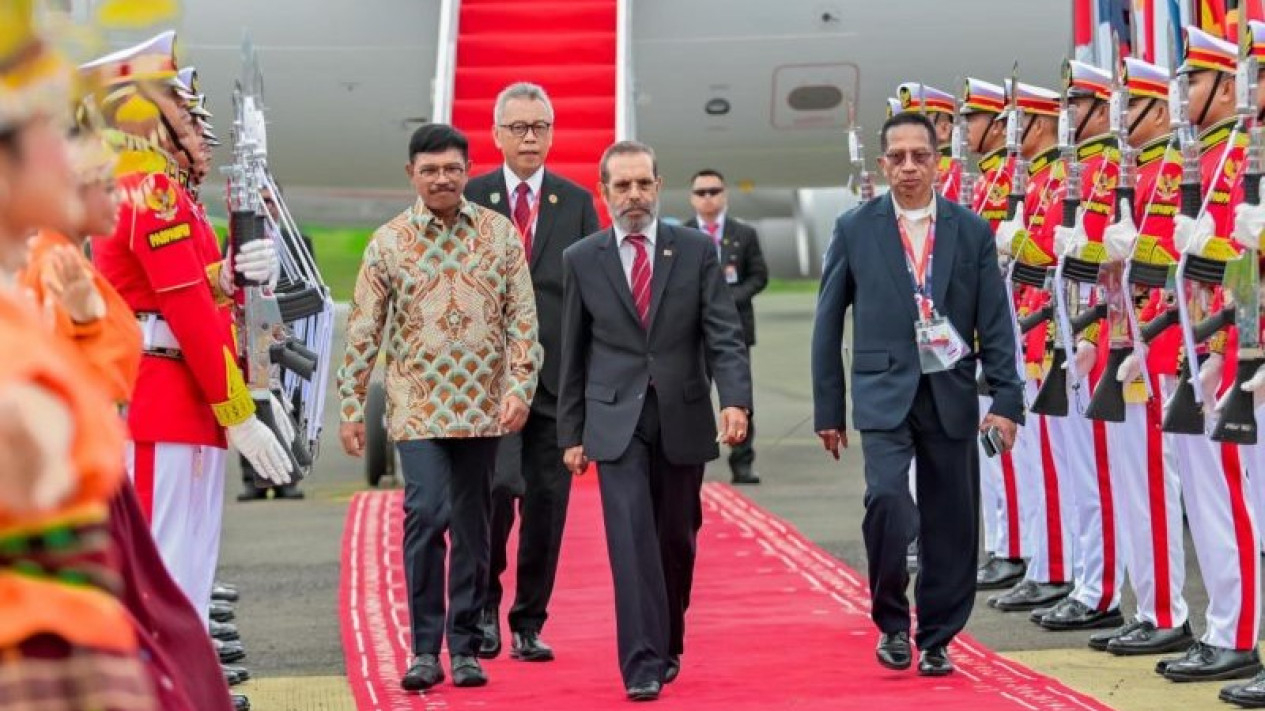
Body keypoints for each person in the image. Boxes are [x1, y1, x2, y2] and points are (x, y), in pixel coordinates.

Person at [85, 31, 294, 631]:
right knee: (164, 577)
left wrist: (228, 275)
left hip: (178, 396)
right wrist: (239, 415)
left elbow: (187, 289)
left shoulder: (160, 190)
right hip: (161, 401)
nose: (192, 118)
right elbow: (187, 315)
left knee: (186, 576)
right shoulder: (149, 192)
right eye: (177, 104)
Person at [811, 111, 1024, 677]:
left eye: (919, 155)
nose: (908, 166)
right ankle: (890, 621)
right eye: (897, 156)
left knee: (951, 518)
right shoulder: (855, 228)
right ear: (883, 164)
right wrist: (828, 409)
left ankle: (936, 636)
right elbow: (827, 322)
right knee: (887, 502)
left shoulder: (971, 229)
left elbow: (995, 322)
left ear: (938, 162)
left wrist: (1006, 402)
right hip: (882, 390)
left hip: (950, 388)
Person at [337, 123, 541, 692]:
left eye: (452, 168)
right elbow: (362, 330)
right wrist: (351, 405)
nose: (442, 178)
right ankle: (425, 649)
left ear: (468, 169)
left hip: (483, 410)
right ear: (412, 175)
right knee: (426, 515)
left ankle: (465, 645)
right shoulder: (388, 243)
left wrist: (519, 389)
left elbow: (523, 321)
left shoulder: (499, 236)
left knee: (476, 529)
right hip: (418, 407)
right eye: (430, 170)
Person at [557, 140, 752, 701]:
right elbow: (574, 352)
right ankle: (640, 661)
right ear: (604, 193)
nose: (634, 196)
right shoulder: (582, 258)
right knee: (631, 540)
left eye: (643, 184)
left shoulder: (693, 251)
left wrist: (735, 400)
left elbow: (723, 334)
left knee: (675, 538)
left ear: (658, 186)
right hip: (616, 422)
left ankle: (668, 638)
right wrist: (571, 433)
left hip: (682, 414)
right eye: (623, 186)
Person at [463, 82, 600, 661]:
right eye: (518, 127)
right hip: (488, 383)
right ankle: (483, 611)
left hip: (556, 385)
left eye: (540, 126)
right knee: (495, 495)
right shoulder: (471, 197)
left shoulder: (574, 203)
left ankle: (528, 621)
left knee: (548, 506)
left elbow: (596, 294)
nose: (529, 138)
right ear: (496, 134)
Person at [684, 168, 768, 484]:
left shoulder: (744, 234)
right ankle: (695, 459)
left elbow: (759, 276)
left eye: (714, 191)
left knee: (738, 396)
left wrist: (728, 300)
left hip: (735, 330)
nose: (708, 197)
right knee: (693, 397)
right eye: (701, 192)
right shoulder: (682, 234)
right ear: (692, 198)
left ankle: (742, 463)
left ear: (725, 194)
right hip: (692, 333)